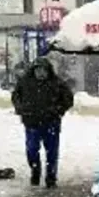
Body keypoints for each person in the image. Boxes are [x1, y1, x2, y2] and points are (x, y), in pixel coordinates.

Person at [10, 57, 74, 188]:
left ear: (48, 71)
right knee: (32, 150)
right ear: (33, 70)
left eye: (43, 70)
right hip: (31, 123)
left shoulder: (57, 83)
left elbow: (68, 99)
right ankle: (35, 170)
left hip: (51, 124)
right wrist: (21, 109)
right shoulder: (25, 83)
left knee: (52, 153)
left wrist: (57, 111)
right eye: (38, 70)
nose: (40, 73)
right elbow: (16, 97)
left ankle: (51, 178)